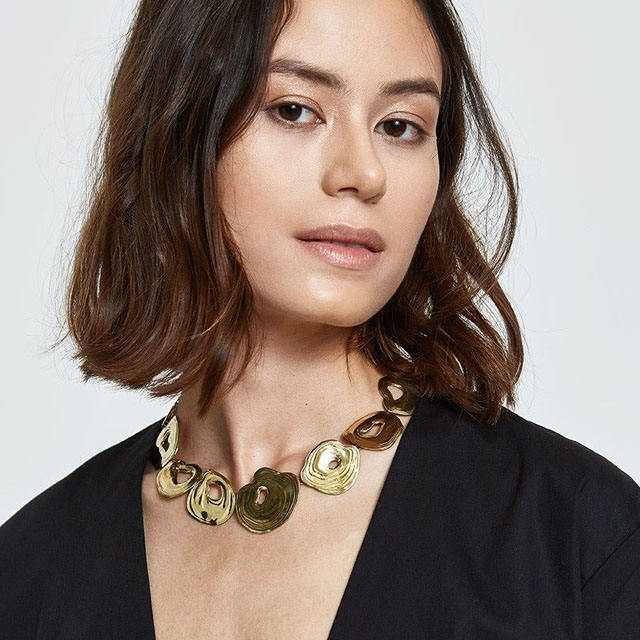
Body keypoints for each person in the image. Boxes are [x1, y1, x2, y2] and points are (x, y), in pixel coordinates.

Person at [1, 0, 638, 638]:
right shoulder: (28, 573)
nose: (363, 173)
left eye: (400, 126)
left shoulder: (581, 539)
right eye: (295, 110)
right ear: (177, 132)